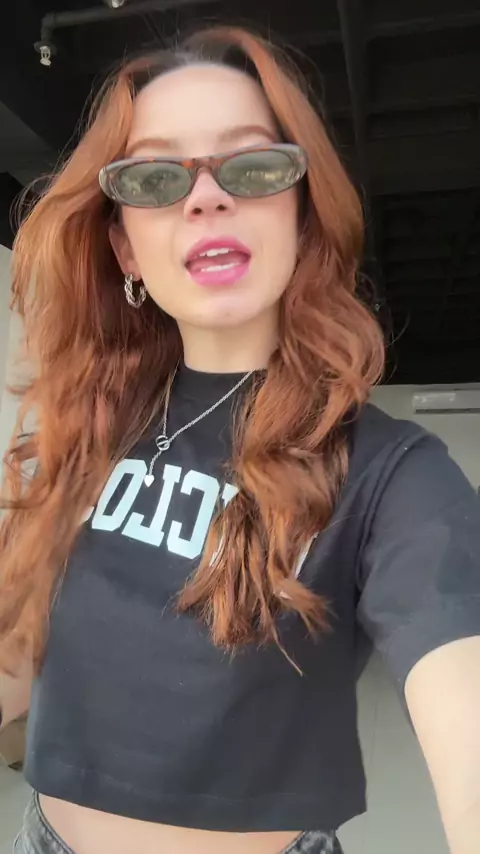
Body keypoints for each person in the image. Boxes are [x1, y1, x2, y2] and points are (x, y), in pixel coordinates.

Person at [0, 23, 479, 854]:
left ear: (303, 215)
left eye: (252, 166)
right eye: (155, 176)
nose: (204, 197)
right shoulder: (86, 426)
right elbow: (15, 660)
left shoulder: (391, 474)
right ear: (125, 247)